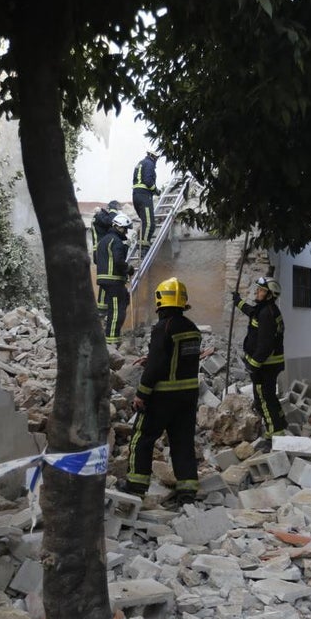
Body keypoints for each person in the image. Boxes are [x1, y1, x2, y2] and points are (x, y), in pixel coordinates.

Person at [125, 277, 202, 505]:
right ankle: (187, 490)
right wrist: (153, 357)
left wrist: (142, 393)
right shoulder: (192, 328)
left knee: (142, 437)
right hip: (188, 396)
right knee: (183, 441)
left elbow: (158, 365)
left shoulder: (163, 326)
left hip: (163, 395)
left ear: (160, 300)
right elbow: (177, 357)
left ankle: (135, 486)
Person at [232, 275, 287, 449]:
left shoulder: (267, 314)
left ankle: (274, 436)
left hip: (265, 366)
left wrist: (253, 366)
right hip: (268, 365)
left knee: (263, 398)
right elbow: (251, 311)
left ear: (270, 295)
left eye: (262, 290)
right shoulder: (265, 309)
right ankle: (279, 424)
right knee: (269, 396)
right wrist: (238, 302)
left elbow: (265, 345)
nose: (258, 291)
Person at [94, 212, 133, 345]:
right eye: (125, 229)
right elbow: (118, 261)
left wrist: (126, 247)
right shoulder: (116, 241)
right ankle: (112, 342)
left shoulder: (104, 240)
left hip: (105, 280)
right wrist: (129, 269)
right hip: (114, 280)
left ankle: (109, 338)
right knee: (116, 311)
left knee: (116, 307)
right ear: (120, 227)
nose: (126, 232)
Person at [132, 150, 159, 251]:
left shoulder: (140, 163)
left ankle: (141, 243)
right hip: (144, 196)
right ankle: (144, 247)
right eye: (156, 157)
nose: (156, 160)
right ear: (153, 156)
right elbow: (148, 181)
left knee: (144, 222)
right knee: (149, 223)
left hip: (136, 195)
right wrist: (156, 190)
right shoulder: (149, 164)